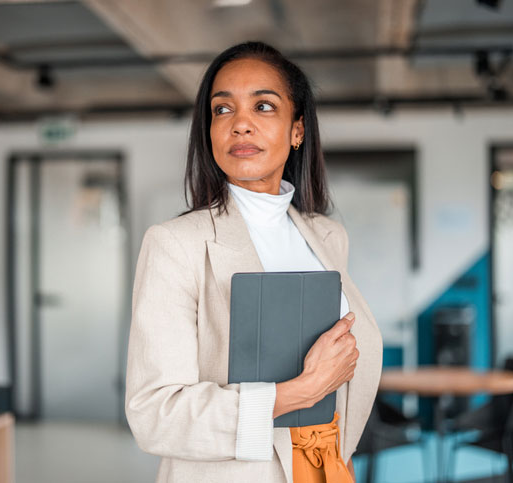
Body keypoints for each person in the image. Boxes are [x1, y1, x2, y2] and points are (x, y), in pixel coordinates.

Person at [125, 41, 382, 483]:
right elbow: (155, 414)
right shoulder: (176, 244)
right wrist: (297, 392)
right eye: (223, 110)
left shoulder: (327, 237)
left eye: (263, 106)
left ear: (296, 130)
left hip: (327, 467)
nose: (240, 124)